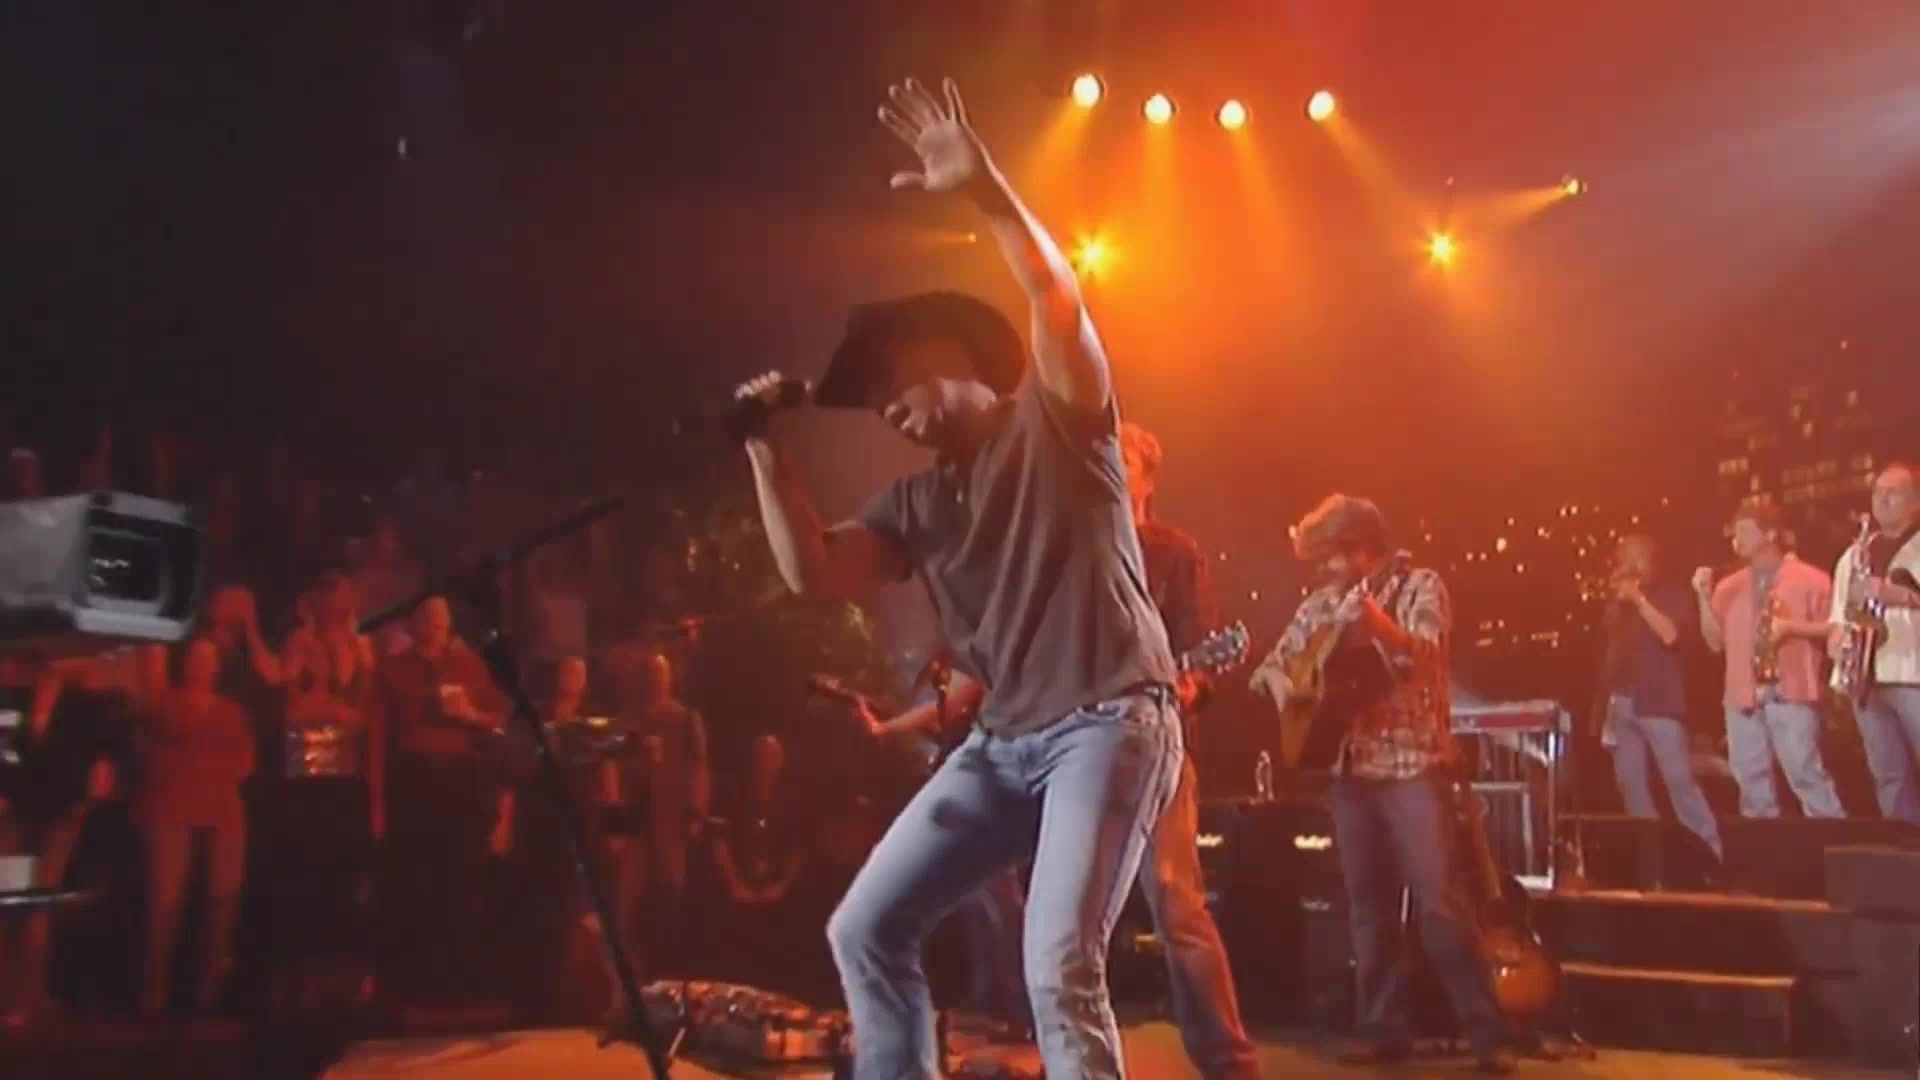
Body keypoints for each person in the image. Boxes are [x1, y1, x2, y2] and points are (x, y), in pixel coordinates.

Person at [737, 77, 1181, 1079]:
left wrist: (984, 189)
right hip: (1004, 744)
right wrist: (763, 449)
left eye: (892, 382)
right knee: (864, 927)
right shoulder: (916, 502)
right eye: (871, 401)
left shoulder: (1059, 421)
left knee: (1057, 964)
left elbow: (1057, 299)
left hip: (1109, 720)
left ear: (956, 352)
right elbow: (815, 571)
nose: (883, 408)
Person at [1249, 495, 1511, 1073]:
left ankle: (1486, 1030)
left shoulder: (1421, 586)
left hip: (1412, 765)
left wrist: (1381, 629)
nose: (1324, 568)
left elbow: (1429, 658)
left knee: (1439, 903)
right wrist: (1289, 690)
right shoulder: (1322, 603)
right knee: (1369, 908)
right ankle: (1382, 1029)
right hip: (1349, 769)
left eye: (1331, 556)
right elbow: (1267, 667)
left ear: (1362, 549)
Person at [1116, 421, 1259, 1079]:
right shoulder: (1073, 550)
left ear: (1148, 478)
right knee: (1065, 915)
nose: (1106, 466)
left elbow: (1201, 646)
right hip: (1079, 751)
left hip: (1158, 750)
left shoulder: (1175, 554)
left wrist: (1189, 681)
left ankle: (1229, 1062)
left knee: (1176, 903)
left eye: (1121, 459)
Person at [1692, 504, 1843, 819]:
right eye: (1734, 533)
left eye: (1744, 531)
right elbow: (1714, 642)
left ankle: (1833, 840)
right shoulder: (1729, 586)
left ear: (1771, 534)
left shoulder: (1810, 579)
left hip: (1790, 691)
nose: (1736, 540)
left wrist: (1791, 628)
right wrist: (1703, 596)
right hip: (1742, 696)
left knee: (1805, 773)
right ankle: (1763, 846)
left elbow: (1836, 629)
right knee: (1750, 782)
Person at [1600, 535, 1722, 862]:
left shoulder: (1671, 594)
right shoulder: (1617, 602)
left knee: (1680, 782)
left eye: (1634, 556)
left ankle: (1709, 855)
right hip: (1621, 703)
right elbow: (1612, 654)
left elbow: (1670, 635)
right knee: (1630, 786)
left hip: (1659, 702)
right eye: (1623, 556)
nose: (1627, 562)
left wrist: (1639, 600)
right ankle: (1652, 861)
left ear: (1649, 560)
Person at [1828, 463, 1920, 822]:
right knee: (1887, 774)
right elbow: (1839, 613)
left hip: (1912, 675)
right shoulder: (1854, 555)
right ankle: (1904, 842)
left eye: (1893, 492)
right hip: (1866, 678)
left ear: (1915, 500)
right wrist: (1837, 641)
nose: (1882, 499)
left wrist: (1902, 596)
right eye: (1878, 492)